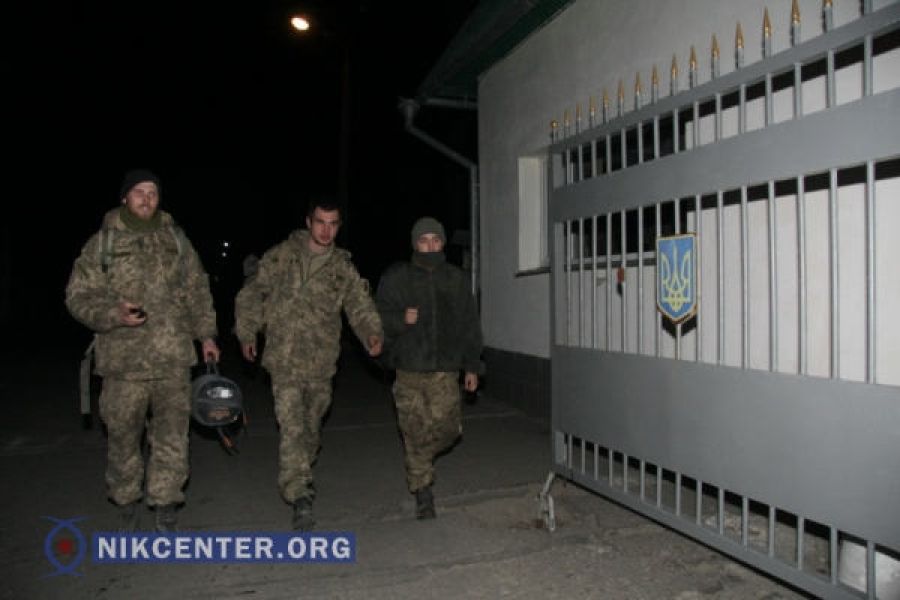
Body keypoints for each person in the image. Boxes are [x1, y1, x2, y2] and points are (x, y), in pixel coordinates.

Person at [65, 169, 220, 532]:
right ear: (125, 197)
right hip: (123, 363)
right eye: (139, 192)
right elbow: (77, 296)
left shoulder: (176, 240)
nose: (146, 199)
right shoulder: (102, 243)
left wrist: (207, 336)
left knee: (172, 438)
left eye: (152, 192)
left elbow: (198, 290)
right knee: (122, 439)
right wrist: (112, 314)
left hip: (173, 358)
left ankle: (166, 505)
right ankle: (127, 502)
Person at [234, 198, 383, 530]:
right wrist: (247, 332)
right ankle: (299, 494)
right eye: (320, 222)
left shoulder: (342, 268)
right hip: (284, 359)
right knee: (292, 427)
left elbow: (360, 305)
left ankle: (302, 466)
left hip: (321, 362)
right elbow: (253, 293)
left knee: (310, 427)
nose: (326, 230)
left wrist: (371, 334)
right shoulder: (282, 256)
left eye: (333, 224)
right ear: (308, 222)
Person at [375, 217, 484, 519]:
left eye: (435, 240)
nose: (430, 246)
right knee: (414, 430)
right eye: (424, 241)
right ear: (415, 244)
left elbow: (470, 324)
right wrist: (400, 319)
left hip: (444, 371)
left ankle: (419, 458)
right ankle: (423, 492)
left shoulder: (456, 279)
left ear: (443, 243)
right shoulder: (398, 277)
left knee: (448, 429)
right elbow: (376, 317)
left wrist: (472, 366)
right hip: (408, 369)